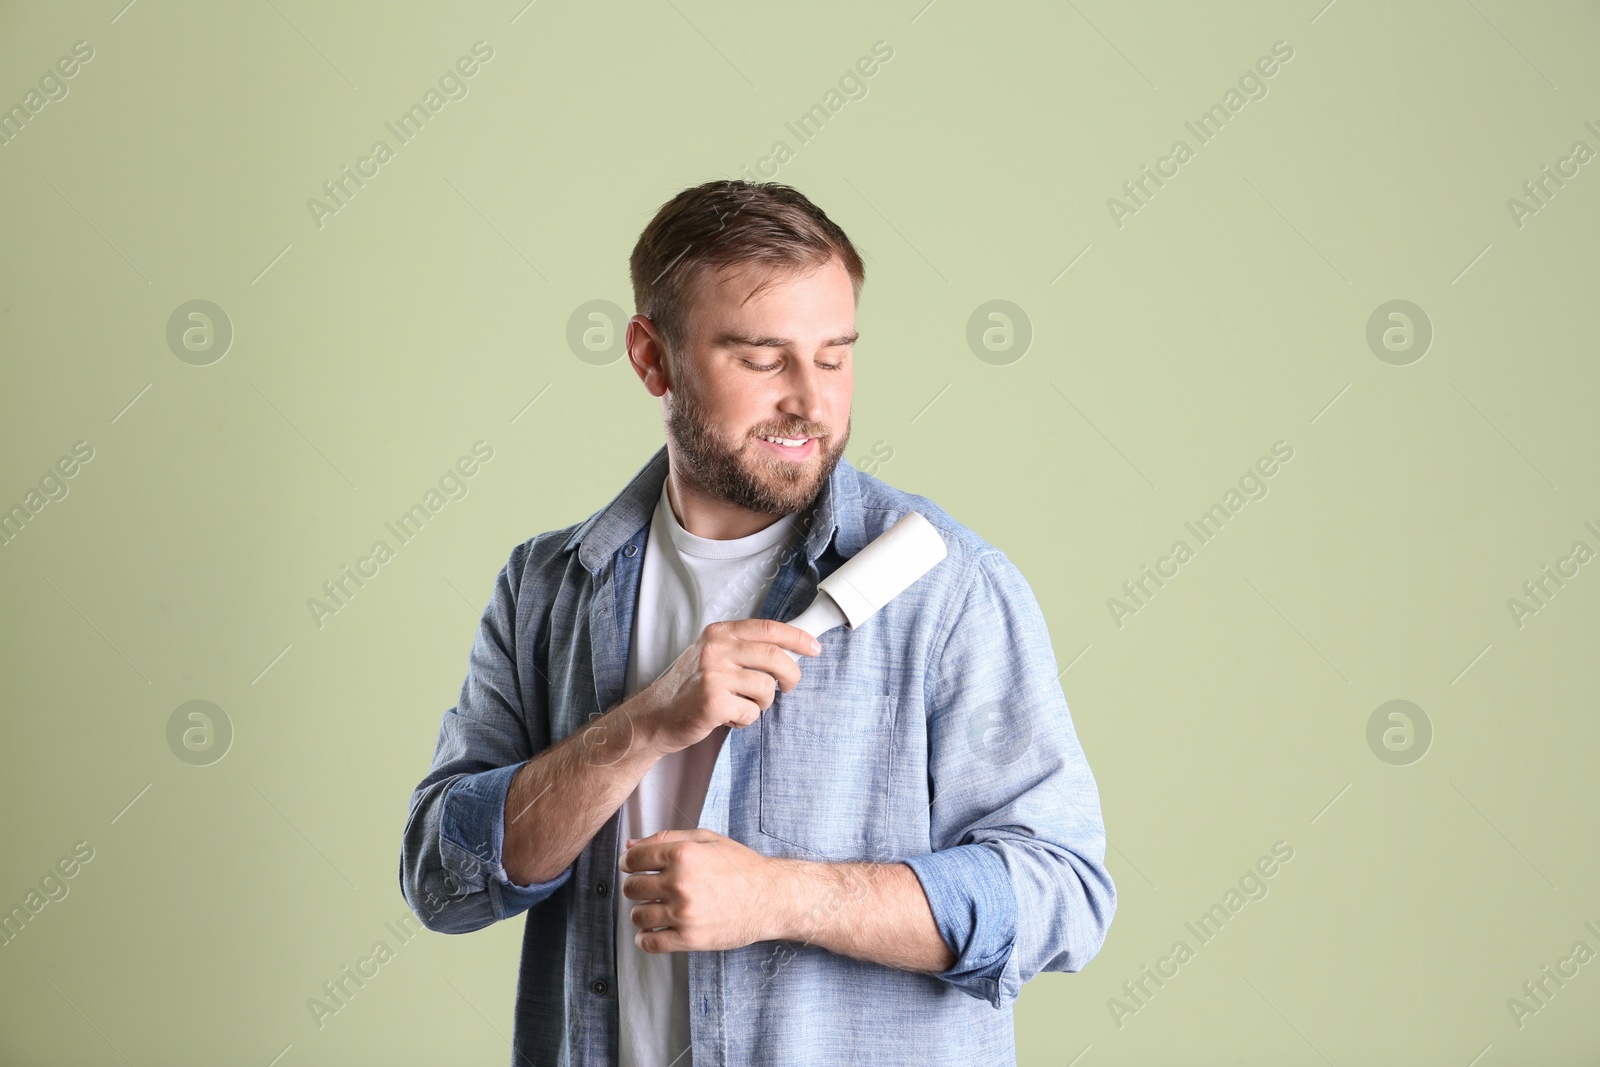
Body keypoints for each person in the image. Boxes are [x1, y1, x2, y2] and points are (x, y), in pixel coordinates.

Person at [399, 179, 1116, 1066]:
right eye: (763, 358)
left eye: (835, 355)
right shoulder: (548, 588)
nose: (811, 404)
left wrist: (783, 898)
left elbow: (1064, 893)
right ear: (652, 359)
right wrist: (639, 726)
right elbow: (444, 877)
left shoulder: (948, 590)